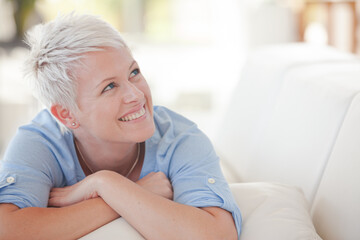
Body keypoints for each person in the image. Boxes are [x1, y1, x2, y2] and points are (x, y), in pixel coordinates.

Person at [0, 13, 241, 240]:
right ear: (67, 114)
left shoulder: (180, 138)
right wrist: (130, 193)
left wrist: (105, 183)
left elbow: (217, 234)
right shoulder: (39, 142)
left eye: (133, 72)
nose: (136, 95)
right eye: (109, 87)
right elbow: (8, 229)